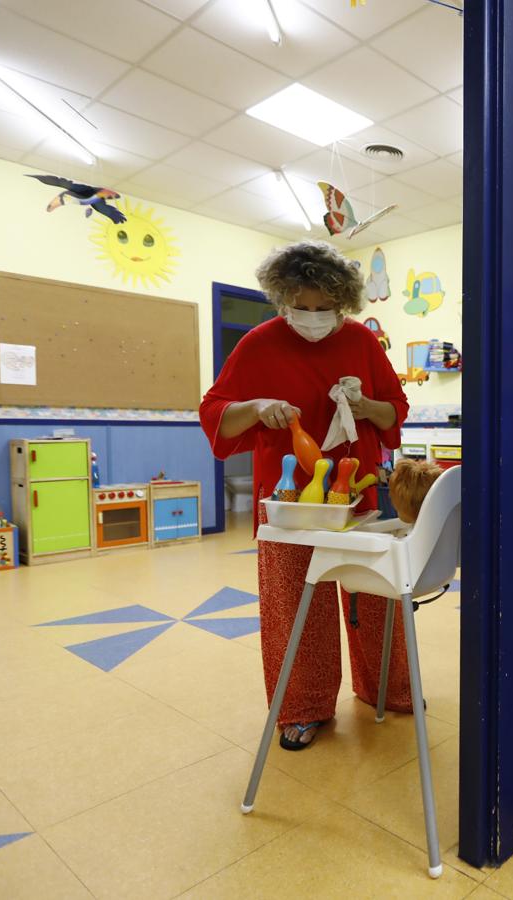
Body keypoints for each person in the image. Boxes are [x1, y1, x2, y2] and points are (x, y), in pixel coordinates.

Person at [200, 242, 411, 750]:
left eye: (325, 310)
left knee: (375, 598)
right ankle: (302, 706)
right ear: (282, 300)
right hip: (289, 500)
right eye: (303, 308)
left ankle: (385, 686)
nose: (314, 318)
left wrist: (366, 406)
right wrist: (255, 406)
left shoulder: (361, 341)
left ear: (344, 304)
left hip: (355, 493)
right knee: (295, 606)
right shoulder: (258, 344)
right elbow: (215, 413)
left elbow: (395, 414)